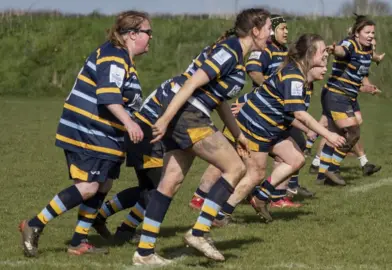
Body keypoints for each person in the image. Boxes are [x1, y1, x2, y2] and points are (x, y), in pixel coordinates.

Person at [131, 8, 272, 266]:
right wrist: (163, 119)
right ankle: (200, 232)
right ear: (255, 30)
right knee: (236, 167)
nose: (271, 34)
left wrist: (239, 135)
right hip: (188, 113)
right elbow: (192, 82)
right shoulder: (228, 52)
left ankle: (144, 251)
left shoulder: (237, 57)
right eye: (269, 28)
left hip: (187, 112)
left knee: (170, 181)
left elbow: (219, 102)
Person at [18, 10, 152, 257]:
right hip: (89, 131)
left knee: (103, 185)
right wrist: (130, 125)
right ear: (132, 34)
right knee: (90, 187)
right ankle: (34, 224)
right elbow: (108, 96)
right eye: (147, 32)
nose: (150, 37)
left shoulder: (123, 59)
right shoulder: (114, 56)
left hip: (105, 135)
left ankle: (79, 241)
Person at [212, 33, 346, 224]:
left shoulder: (302, 79)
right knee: (255, 173)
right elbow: (299, 114)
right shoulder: (293, 77)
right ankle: (221, 214)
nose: (326, 56)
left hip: (270, 130)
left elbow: (289, 114)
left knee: (296, 159)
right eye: (322, 51)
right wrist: (328, 134)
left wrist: (310, 130)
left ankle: (260, 197)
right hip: (255, 127)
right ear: (309, 54)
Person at [91, 91, 165, 245]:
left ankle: (102, 218)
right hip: (146, 136)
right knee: (157, 191)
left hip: (143, 133)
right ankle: (127, 230)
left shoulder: (179, 84)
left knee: (147, 190)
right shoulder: (187, 88)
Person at [315, 14, 381, 186]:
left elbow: (359, 73)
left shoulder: (367, 51)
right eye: (367, 32)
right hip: (337, 95)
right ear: (357, 33)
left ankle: (322, 174)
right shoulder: (350, 44)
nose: (371, 35)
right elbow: (342, 52)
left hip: (343, 96)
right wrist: (335, 49)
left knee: (336, 135)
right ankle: (333, 169)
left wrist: (367, 87)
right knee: (353, 133)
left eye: (373, 33)